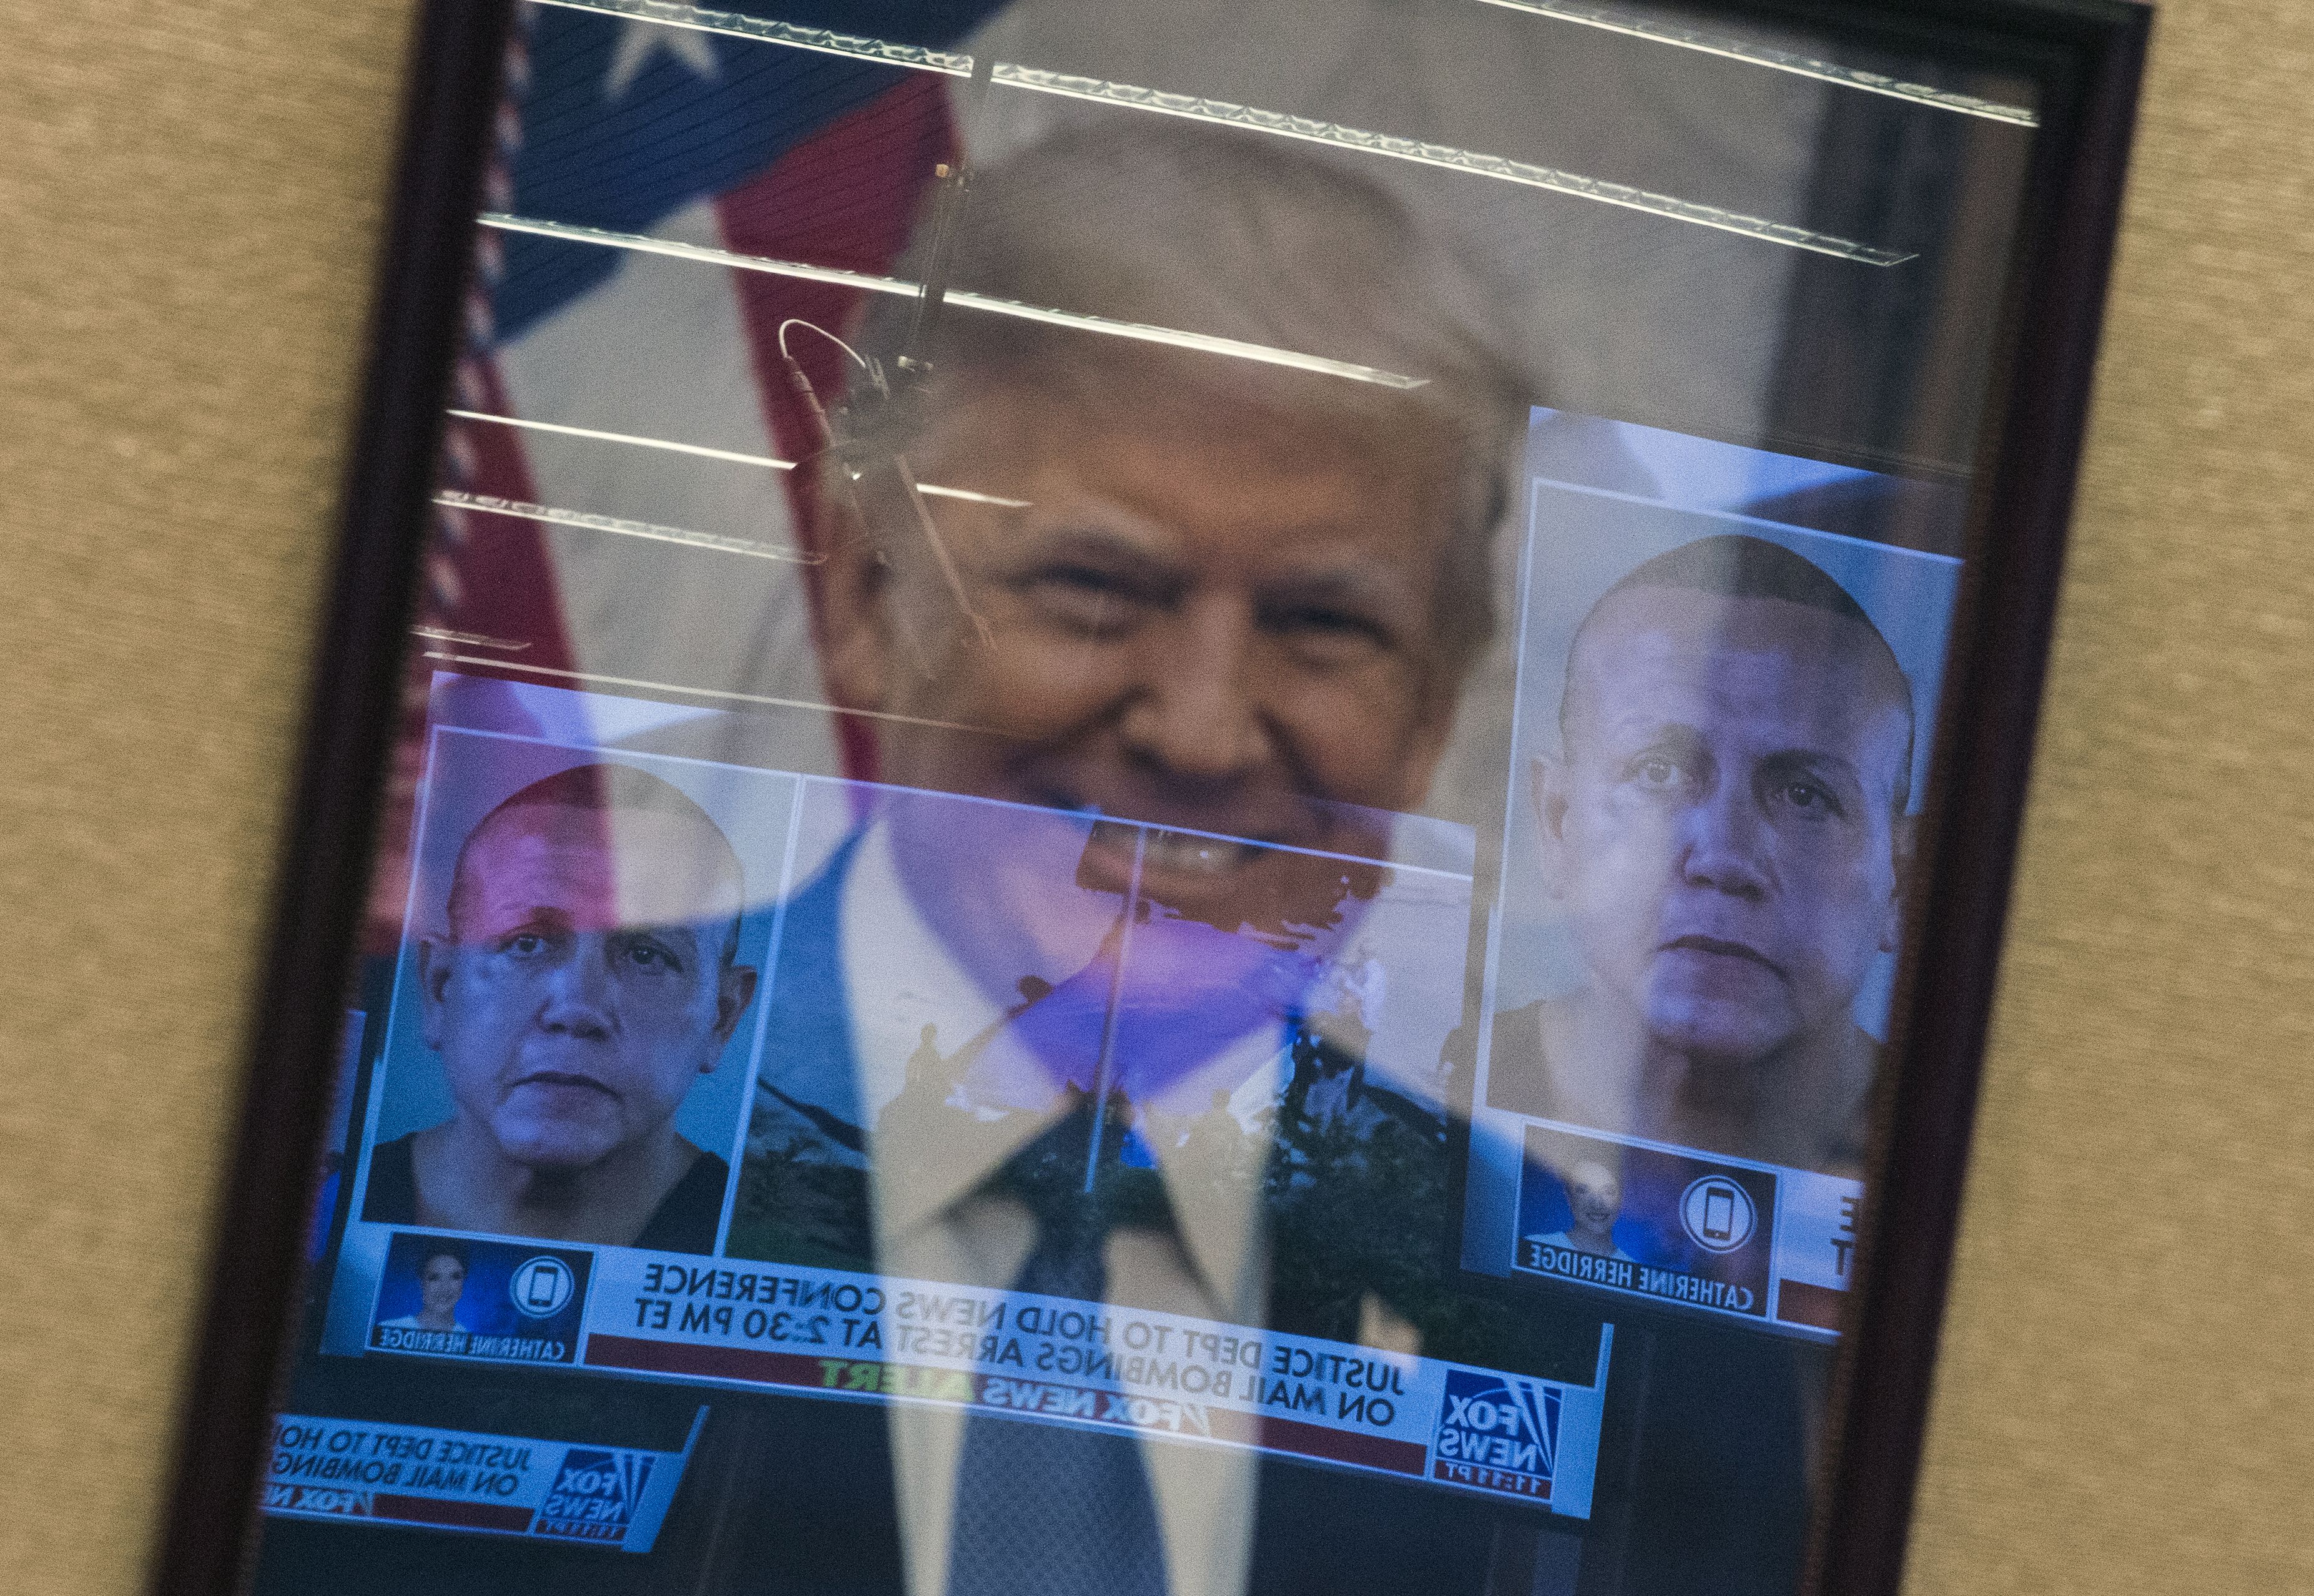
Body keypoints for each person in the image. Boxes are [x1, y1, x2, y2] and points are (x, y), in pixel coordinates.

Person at [1476, 533, 1916, 1175]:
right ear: (1557, 823)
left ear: (1902, 880)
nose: (1724, 859)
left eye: (1805, 795)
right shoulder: (1422, 1080)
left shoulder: (1972, 1157)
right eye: (1658, 772)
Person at [363, 762, 759, 1253]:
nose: (577, 1009)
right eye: (526, 943)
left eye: (646, 955)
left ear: (722, 1017)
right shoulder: (318, 1200)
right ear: (440, 987)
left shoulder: (771, 1246)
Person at [1526, 1156, 1634, 1261]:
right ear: (1569, 1197)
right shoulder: (1535, 1249)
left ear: (1621, 1198)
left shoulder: (1632, 1270)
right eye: (1584, 1191)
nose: (1597, 1204)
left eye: (1608, 1192)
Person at [377, 1246, 471, 1332]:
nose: (445, 1288)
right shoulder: (389, 1330)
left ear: (463, 1282)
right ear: (421, 1283)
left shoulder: (469, 1340)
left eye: (455, 1277)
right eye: (435, 1278)